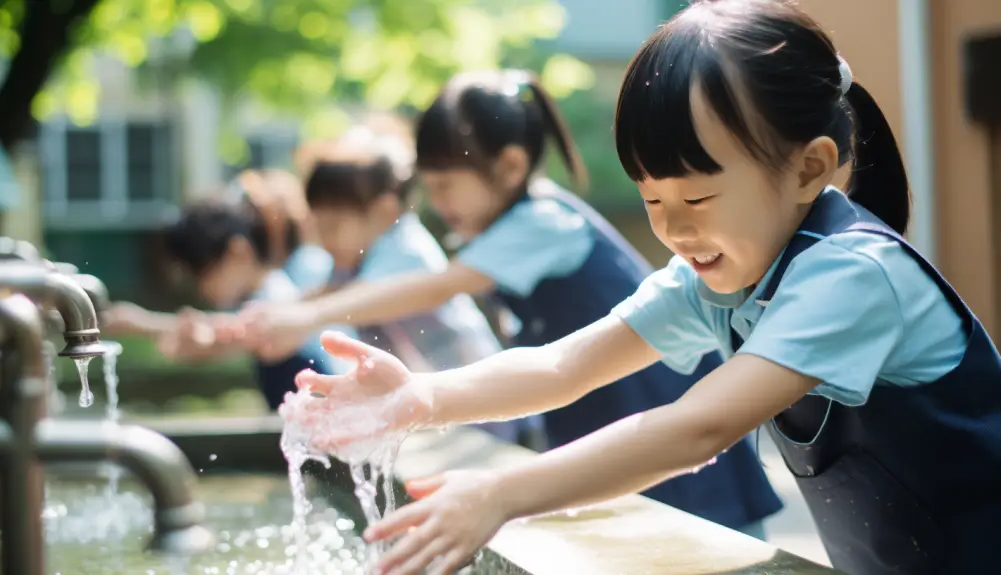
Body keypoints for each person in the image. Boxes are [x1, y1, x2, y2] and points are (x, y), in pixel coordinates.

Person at [284, 1, 1001, 573]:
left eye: (695, 199)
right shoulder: (720, 276)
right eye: (652, 202)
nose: (674, 230)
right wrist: (421, 398)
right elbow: (564, 366)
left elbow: (697, 426)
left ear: (809, 168)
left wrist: (500, 493)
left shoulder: (850, 276)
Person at [243, 70, 782, 539]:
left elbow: (435, 285)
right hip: (614, 431)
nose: (438, 202)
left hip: (672, 443)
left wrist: (309, 317)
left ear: (509, 167)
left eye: (448, 183)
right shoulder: (509, 231)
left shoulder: (544, 223)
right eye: (429, 186)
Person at [254, 118, 532, 443]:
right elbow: (321, 297)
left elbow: (360, 298)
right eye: (318, 227)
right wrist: (255, 324)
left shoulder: (405, 249)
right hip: (434, 413)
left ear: (385, 212)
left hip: (485, 410)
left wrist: (303, 318)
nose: (324, 240)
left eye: (333, 226)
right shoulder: (353, 259)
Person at [150, 170, 346, 410]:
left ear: (237, 252)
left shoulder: (275, 294)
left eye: (202, 275)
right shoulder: (273, 290)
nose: (201, 290)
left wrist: (140, 324)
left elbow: (232, 334)